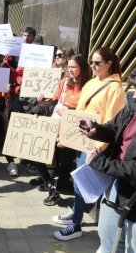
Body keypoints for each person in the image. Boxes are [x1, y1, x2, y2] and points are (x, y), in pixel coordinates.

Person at [53, 47, 125, 240]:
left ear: (109, 64)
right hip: (81, 139)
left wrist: (98, 149)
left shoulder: (115, 89)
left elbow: (111, 123)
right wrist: (66, 134)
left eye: (97, 63)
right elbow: (79, 111)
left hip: (94, 144)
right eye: (91, 62)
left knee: (81, 184)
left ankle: (75, 224)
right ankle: (77, 212)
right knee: (78, 181)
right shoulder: (93, 82)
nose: (92, 66)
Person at [79, 68, 136, 253]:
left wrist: (100, 162)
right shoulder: (131, 105)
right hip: (116, 187)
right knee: (108, 245)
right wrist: (96, 129)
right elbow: (114, 127)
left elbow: (134, 169)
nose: (133, 93)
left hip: (132, 196)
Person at [30, 54, 91, 206]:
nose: (70, 70)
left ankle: (58, 187)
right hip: (55, 124)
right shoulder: (64, 83)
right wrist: (38, 109)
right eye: (69, 66)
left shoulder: (88, 86)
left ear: (82, 68)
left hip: (72, 128)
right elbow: (54, 103)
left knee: (64, 162)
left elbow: (89, 111)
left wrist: (70, 113)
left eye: (74, 67)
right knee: (37, 154)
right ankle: (50, 186)